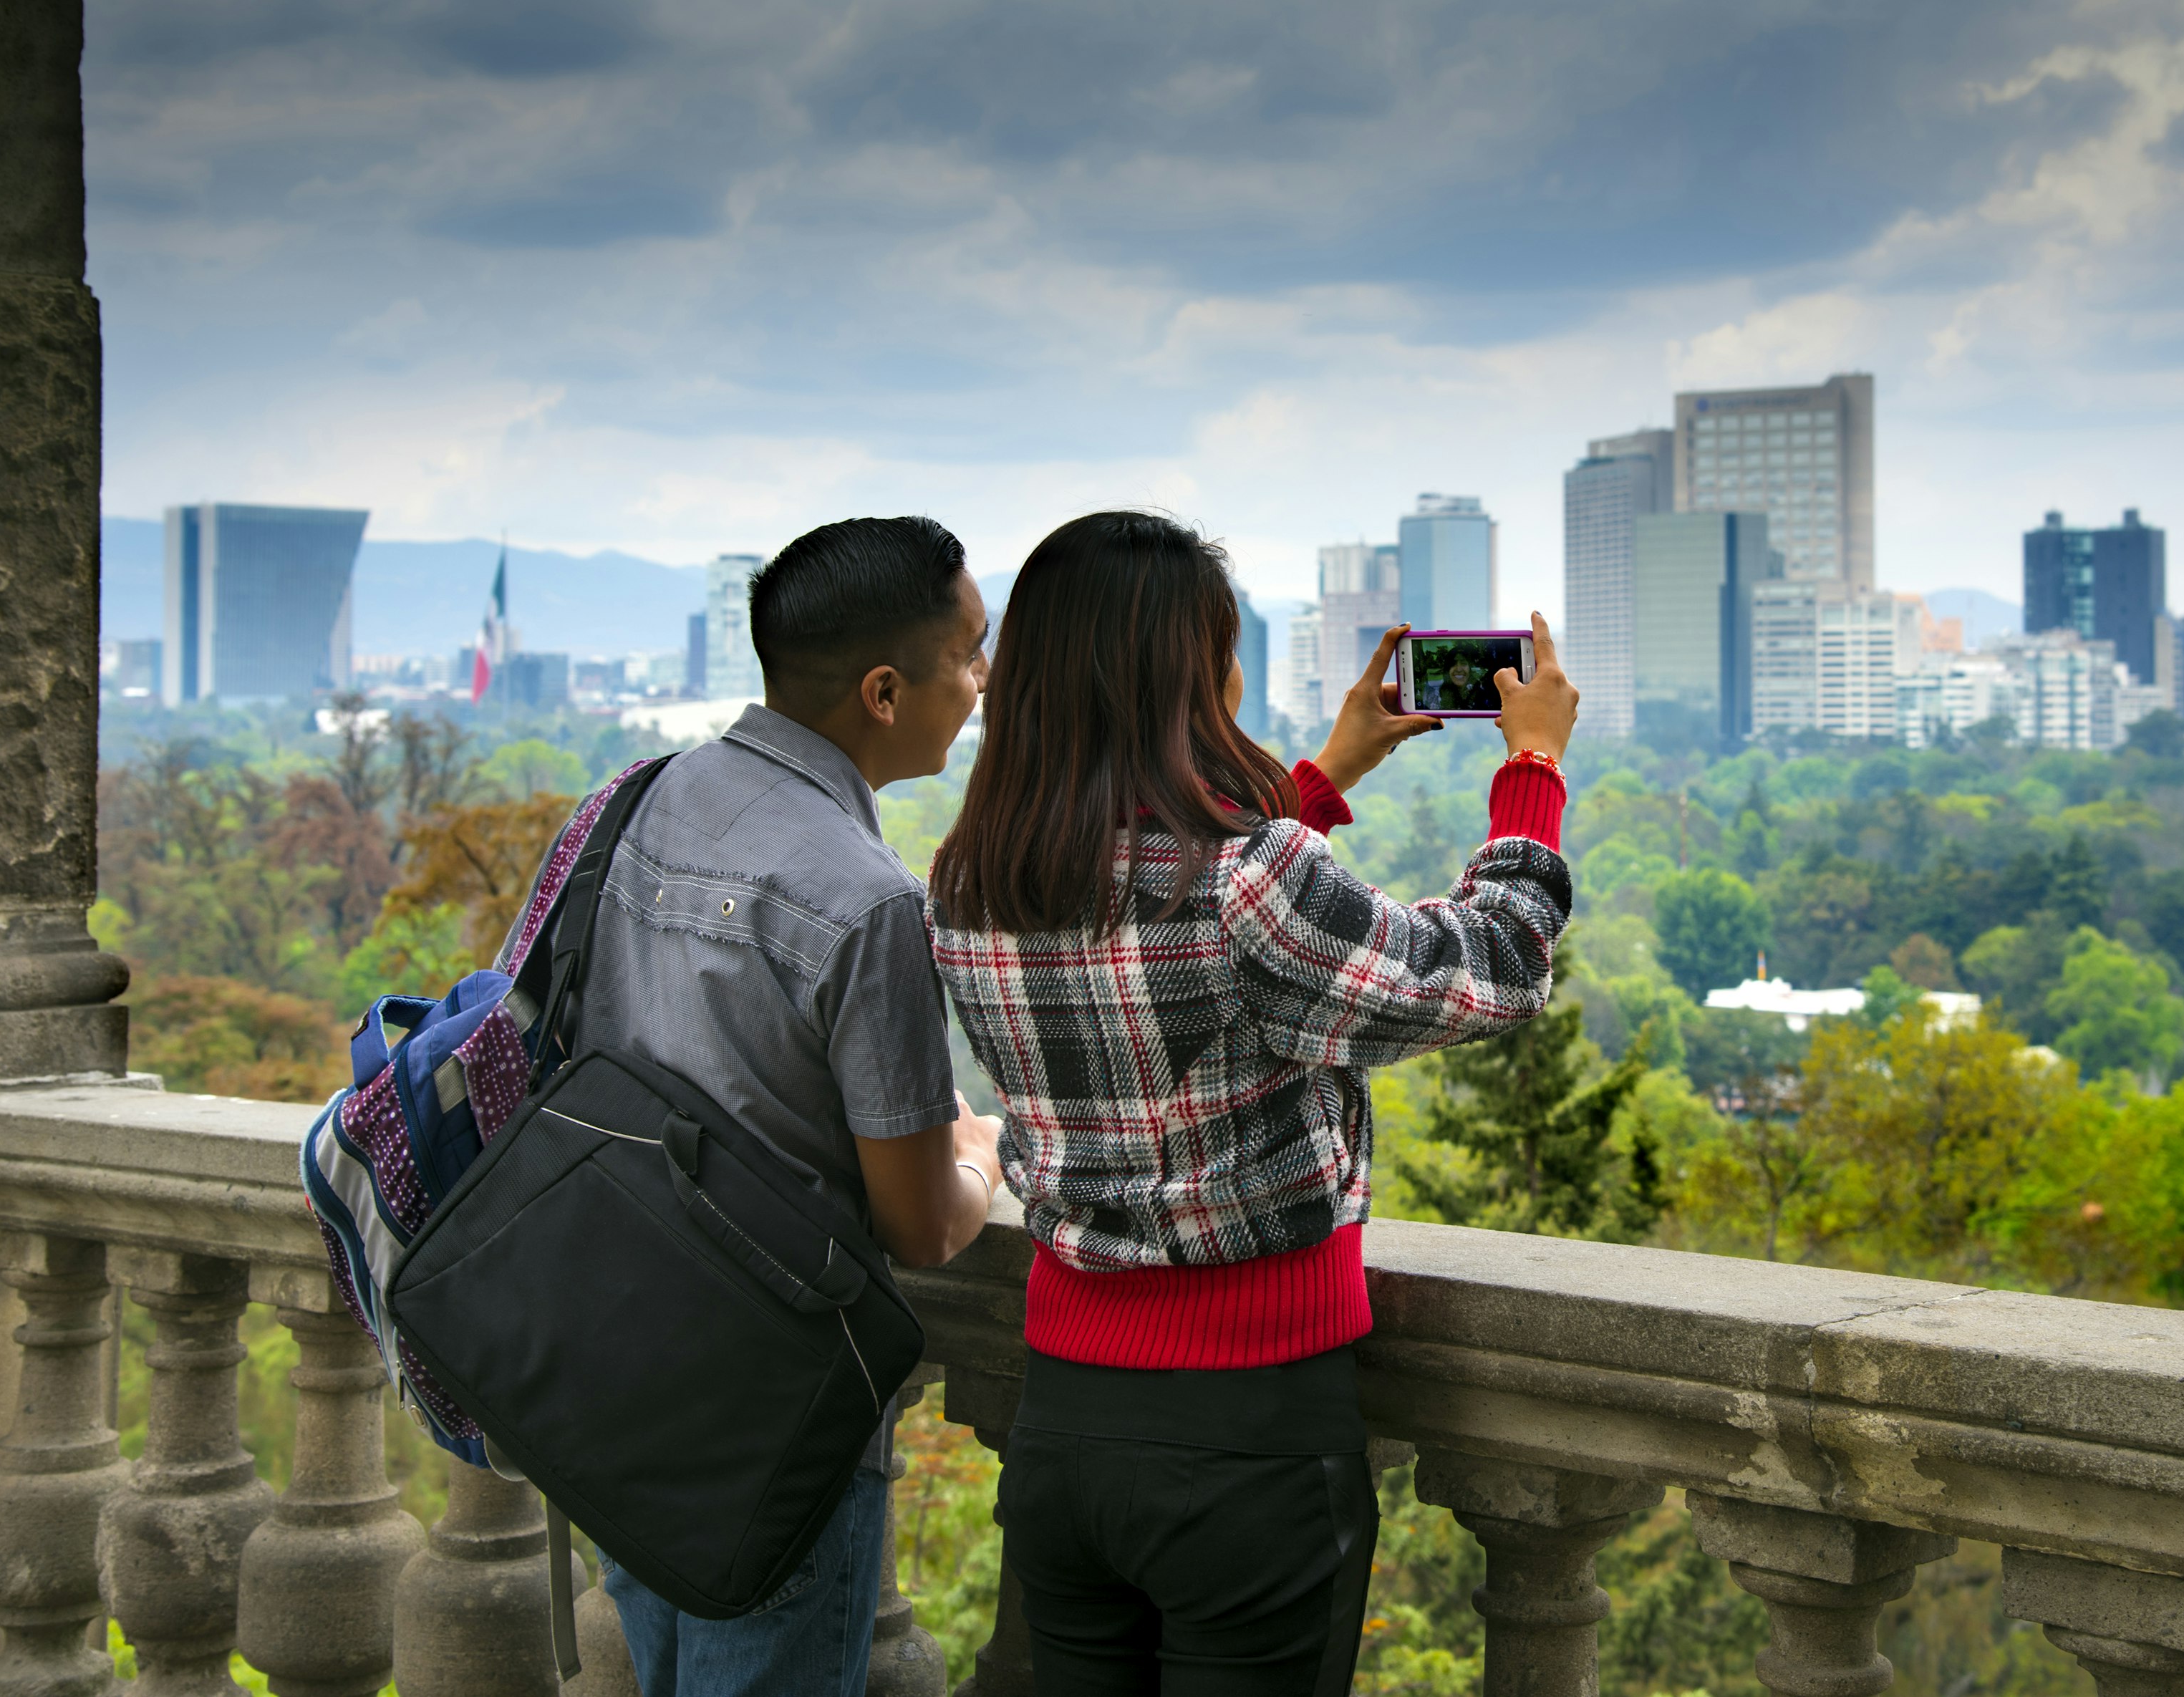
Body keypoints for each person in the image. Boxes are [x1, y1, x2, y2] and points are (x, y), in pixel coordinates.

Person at [927, 511, 1578, 1697]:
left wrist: (1327, 773)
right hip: (1246, 1433)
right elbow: (1491, 969)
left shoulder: (973, 881)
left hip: (1063, 1424)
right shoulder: (1248, 879)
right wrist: (1529, 774)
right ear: (1191, 674)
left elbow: (1183, 920)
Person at [543, 515, 1008, 1696]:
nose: (984, 683)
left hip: (609, 1357)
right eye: (971, 654)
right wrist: (983, 1153)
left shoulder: (633, 801)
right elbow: (920, 1226)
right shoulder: (866, 901)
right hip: (767, 1413)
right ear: (886, 691)